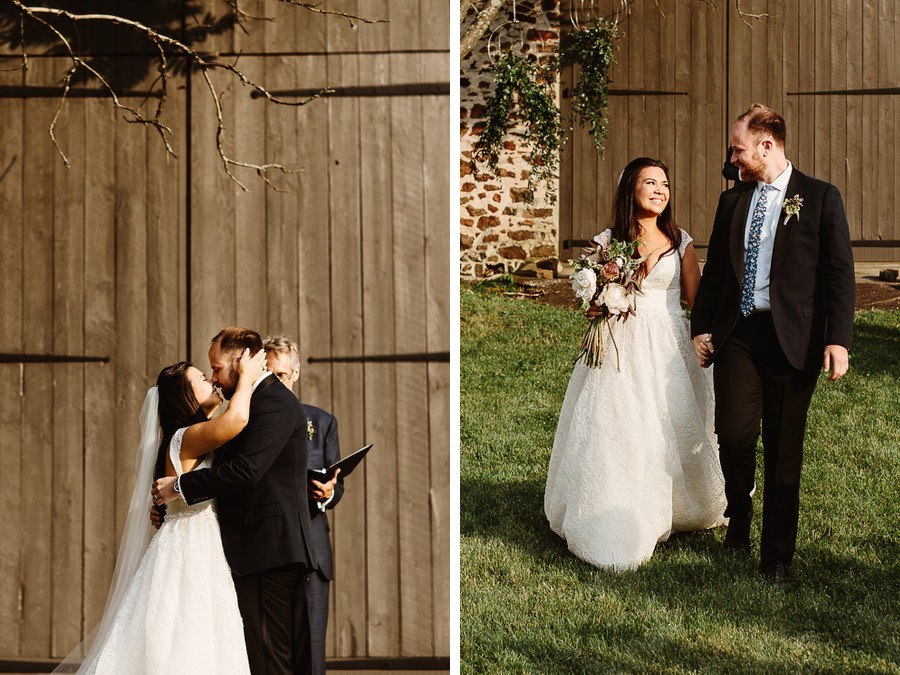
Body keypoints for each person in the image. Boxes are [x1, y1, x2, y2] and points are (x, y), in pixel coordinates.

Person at [691, 104, 855, 584]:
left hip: (794, 341)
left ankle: (777, 557)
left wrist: (838, 340)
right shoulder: (732, 201)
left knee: (784, 452)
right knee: (734, 436)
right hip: (739, 335)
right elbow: (716, 272)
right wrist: (701, 326)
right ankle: (738, 518)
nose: (733, 158)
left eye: (738, 149)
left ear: (767, 144)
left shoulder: (821, 198)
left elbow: (839, 275)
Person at [544, 157, 727, 571]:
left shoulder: (680, 241)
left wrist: (705, 339)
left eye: (664, 183)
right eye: (650, 182)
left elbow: (697, 302)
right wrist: (596, 304)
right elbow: (591, 297)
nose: (660, 190)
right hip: (620, 343)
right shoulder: (610, 241)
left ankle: (676, 505)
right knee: (620, 424)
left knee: (667, 422)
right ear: (632, 189)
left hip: (667, 343)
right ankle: (615, 508)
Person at [57, 348, 267, 673]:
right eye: (201, 378)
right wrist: (249, 377)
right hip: (190, 550)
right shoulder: (187, 436)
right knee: (187, 635)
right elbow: (238, 418)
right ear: (185, 396)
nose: (212, 381)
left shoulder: (187, 438)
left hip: (198, 544)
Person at [152, 327, 319, 674]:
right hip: (244, 552)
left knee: (269, 660)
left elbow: (246, 470)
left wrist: (179, 489)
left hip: (268, 550)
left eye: (216, 368)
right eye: (207, 373)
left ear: (241, 361)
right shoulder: (239, 408)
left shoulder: (273, 403)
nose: (214, 377)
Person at [264, 335, 344, 675]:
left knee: (311, 655)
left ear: (295, 374)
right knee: (269, 654)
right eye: (270, 374)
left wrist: (327, 494)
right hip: (267, 551)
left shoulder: (322, 422)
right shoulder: (247, 421)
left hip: (312, 547)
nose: (277, 382)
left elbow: (338, 486)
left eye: (283, 375)